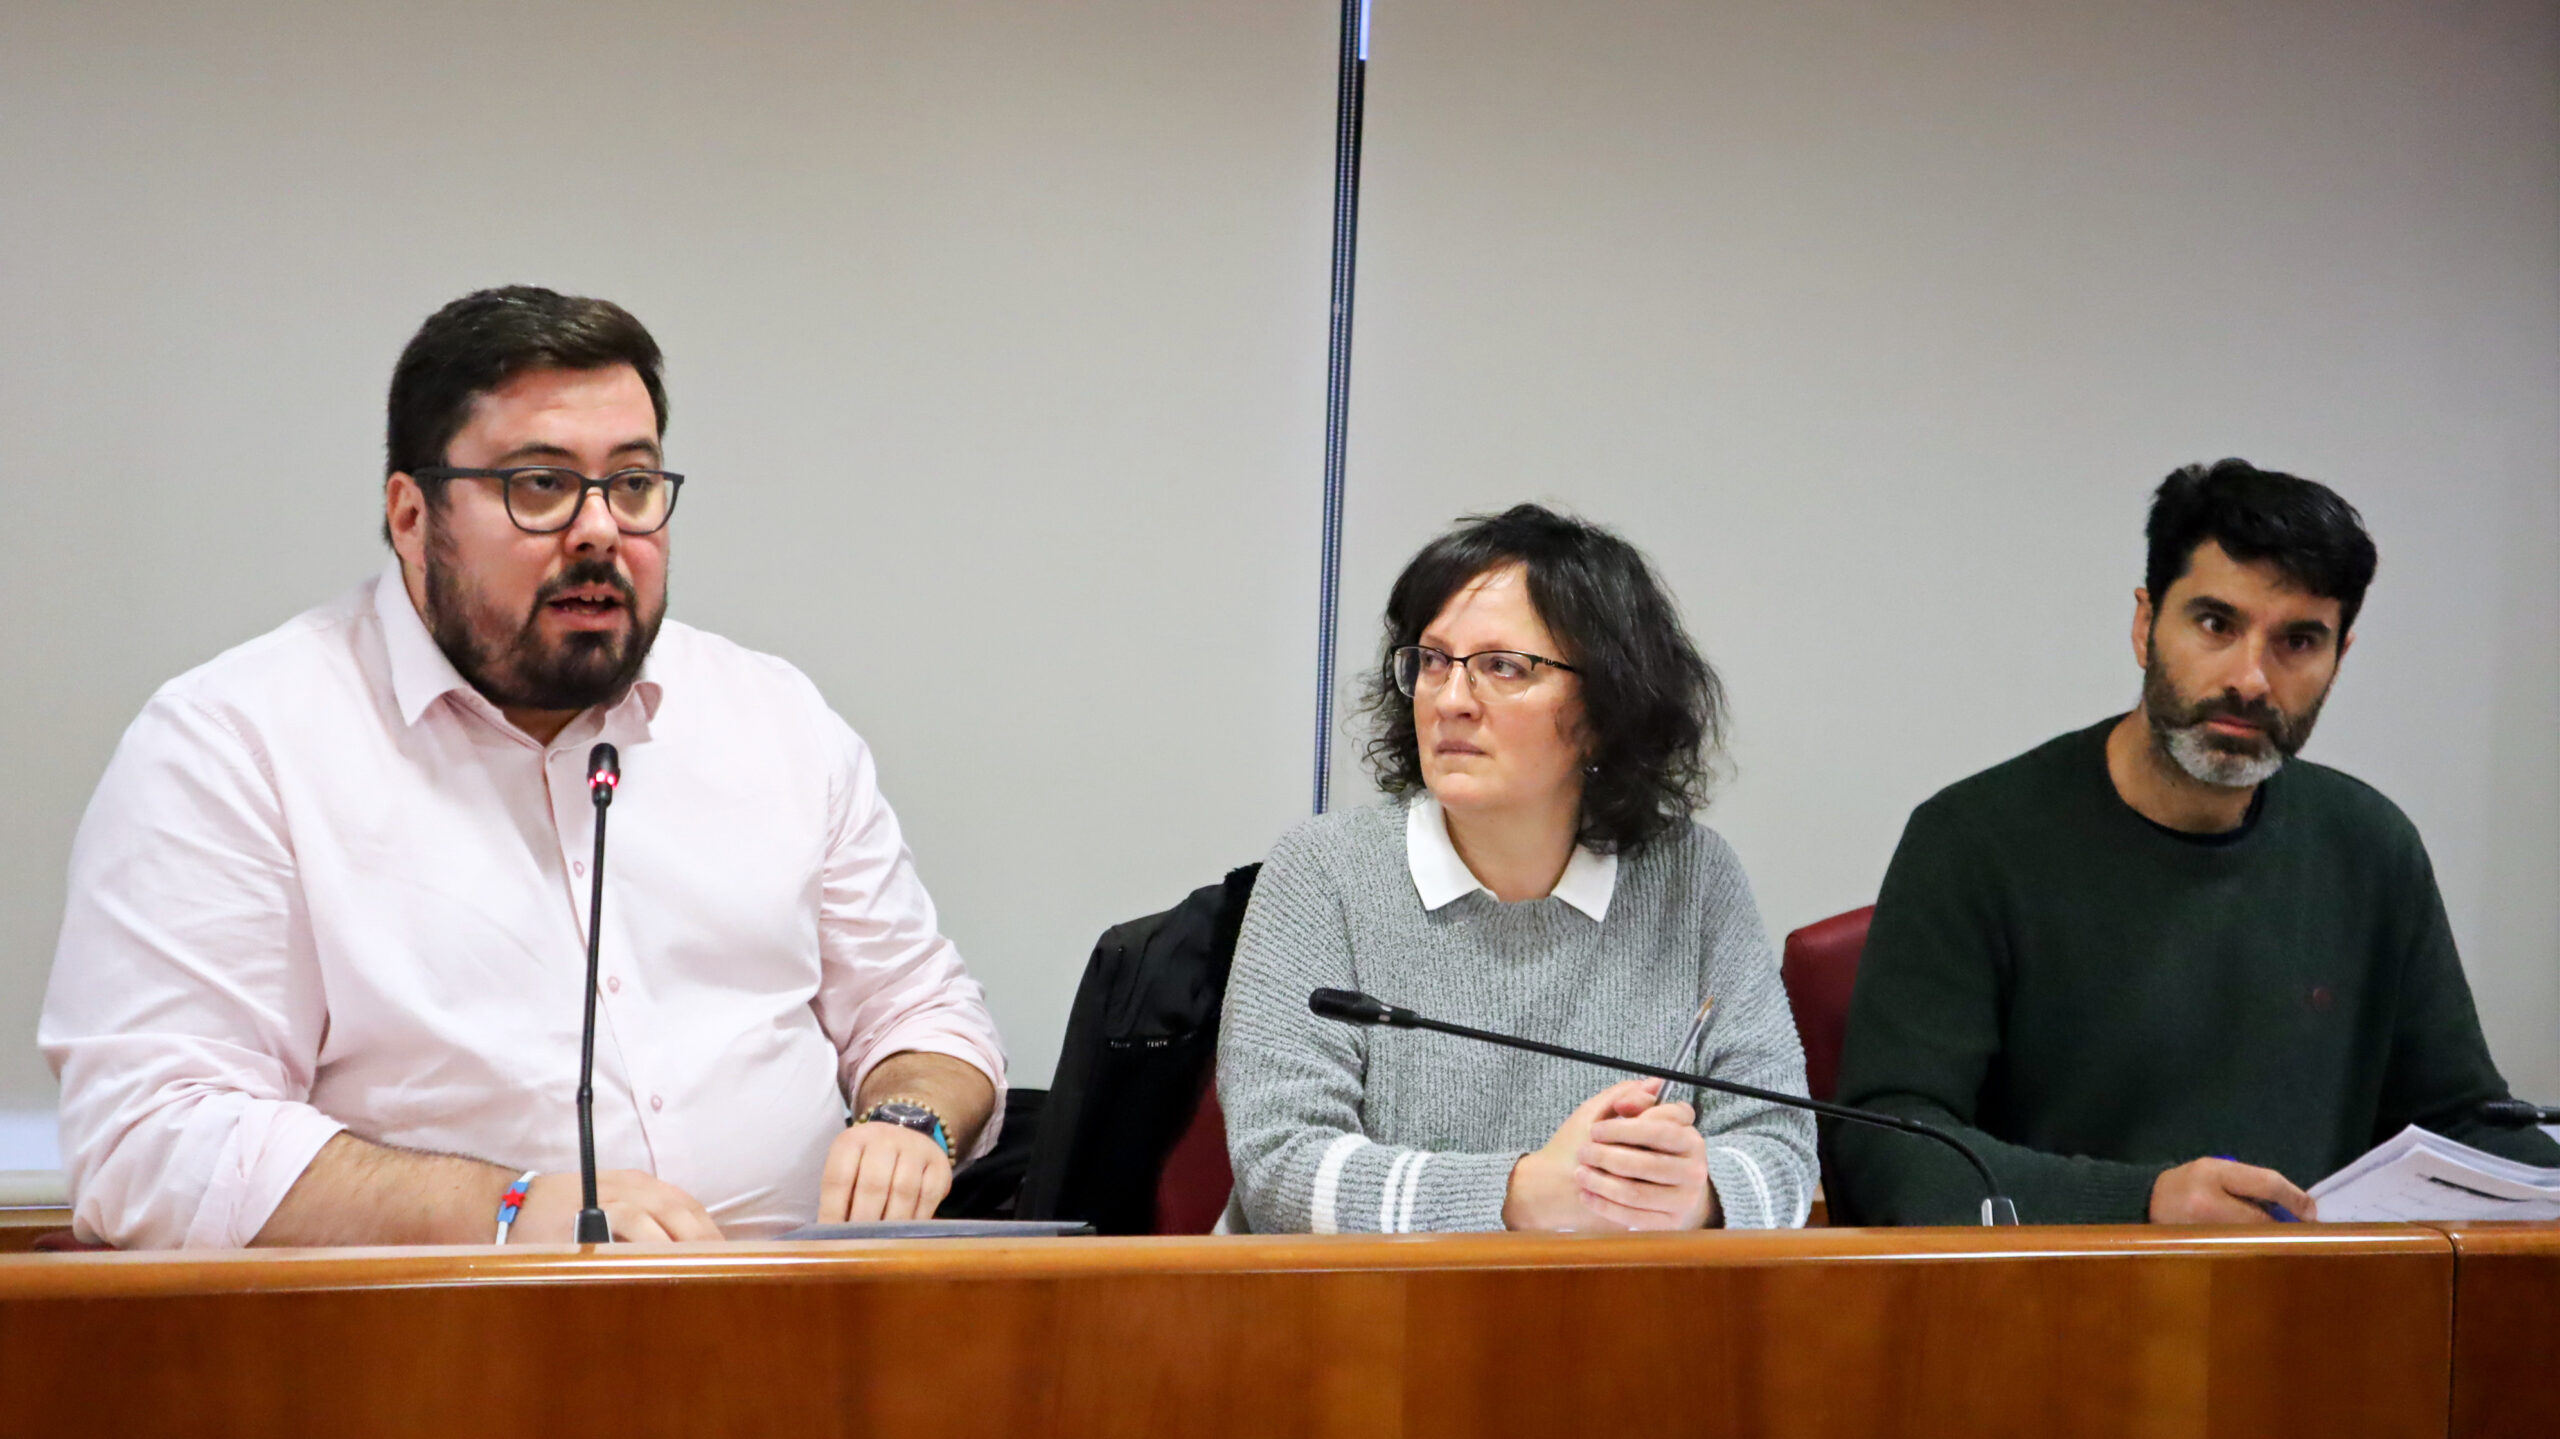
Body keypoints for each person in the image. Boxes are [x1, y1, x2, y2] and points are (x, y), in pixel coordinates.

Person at [40, 286, 1005, 1248]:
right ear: (412, 516)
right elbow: (151, 1138)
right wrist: (509, 1210)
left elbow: (922, 1010)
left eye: (631, 484)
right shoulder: (237, 743)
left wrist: (911, 1114)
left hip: (800, 1341)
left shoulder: (775, 718)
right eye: (539, 484)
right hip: (430, 1361)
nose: (599, 530)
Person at [1830, 459, 2560, 1226]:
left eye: (2299, 641)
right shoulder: (1971, 840)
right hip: (2051, 1314)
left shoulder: (2372, 848)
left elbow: (2462, 1124)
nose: (2250, 677)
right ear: (2146, 623)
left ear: (2340, 658)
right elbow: (1890, 1152)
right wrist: (2141, 1203)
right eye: (2216, 624)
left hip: (2314, 1312)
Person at [1218, 504, 1815, 1233]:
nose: (1452, 699)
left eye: (1503, 667)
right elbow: (1280, 1165)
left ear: (1604, 706)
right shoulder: (1323, 871)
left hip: (1604, 1326)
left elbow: (1785, 1151)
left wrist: (1698, 1195)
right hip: (1357, 1331)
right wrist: (1521, 1193)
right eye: (1433, 660)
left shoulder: (1692, 877)